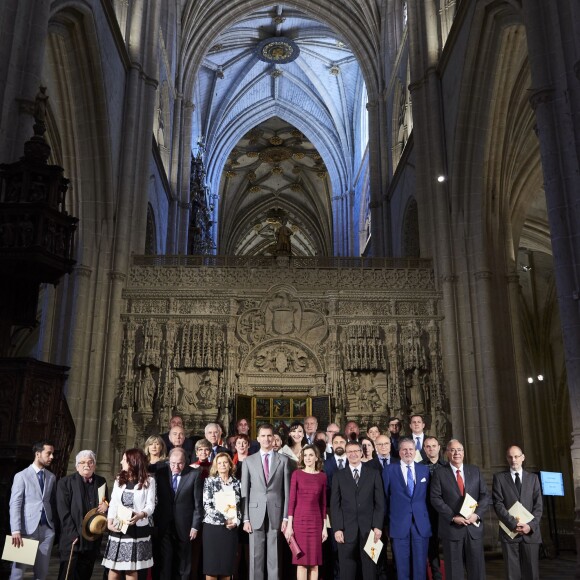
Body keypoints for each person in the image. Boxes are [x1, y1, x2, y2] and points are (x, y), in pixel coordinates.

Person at [430, 439, 490, 580]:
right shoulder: (439, 473)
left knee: (477, 569)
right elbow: (435, 498)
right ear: (447, 453)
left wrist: (477, 514)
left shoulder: (474, 471)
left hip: (473, 528)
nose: (456, 453)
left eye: (459, 450)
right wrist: (452, 516)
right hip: (451, 528)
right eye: (452, 450)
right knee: (454, 571)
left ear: (463, 452)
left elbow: (485, 496)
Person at [241, 423, 291, 580]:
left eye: (269, 435)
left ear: (274, 437)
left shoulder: (283, 460)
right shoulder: (249, 461)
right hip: (254, 513)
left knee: (274, 556)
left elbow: (287, 492)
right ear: (257, 438)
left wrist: (285, 518)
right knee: (255, 556)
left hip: (276, 512)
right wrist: (246, 518)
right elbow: (245, 492)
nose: (266, 439)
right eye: (263, 436)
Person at [330, 440, 384, 580]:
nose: (353, 454)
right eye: (350, 452)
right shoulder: (338, 476)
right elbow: (335, 505)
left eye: (356, 451)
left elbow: (380, 503)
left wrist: (377, 526)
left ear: (361, 453)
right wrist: (337, 528)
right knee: (347, 570)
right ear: (346, 454)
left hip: (370, 530)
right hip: (346, 530)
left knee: (370, 569)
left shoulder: (374, 473)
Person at [102, 448, 155, 579]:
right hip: (119, 527)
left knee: (131, 570)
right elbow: (113, 502)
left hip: (137, 530)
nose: (121, 462)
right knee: (113, 569)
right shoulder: (119, 479)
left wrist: (140, 515)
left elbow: (150, 506)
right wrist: (109, 522)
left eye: (124, 460)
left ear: (133, 462)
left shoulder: (149, 481)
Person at [56, 450, 108, 580]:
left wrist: (107, 506)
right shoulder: (65, 483)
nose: (87, 465)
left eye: (90, 462)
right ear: (77, 466)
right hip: (73, 539)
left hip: (92, 538)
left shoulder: (101, 481)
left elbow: (106, 502)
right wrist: (73, 534)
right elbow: (63, 512)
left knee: (85, 574)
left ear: (95, 465)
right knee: (67, 575)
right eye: (83, 462)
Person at [492, 445, 543, 580]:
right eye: (510, 457)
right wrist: (513, 523)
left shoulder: (533, 479)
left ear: (523, 457)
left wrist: (530, 525)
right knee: (512, 574)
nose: (513, 460)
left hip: (530, 533)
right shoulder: (499, 478)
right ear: (507, 458)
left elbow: (538, 506)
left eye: (516, 456)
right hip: (510, 533)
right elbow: (498, 504)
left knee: (532, 573)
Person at [384, 438, 432, 580]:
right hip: (398, 524)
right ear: (399, 452)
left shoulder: (424, 470)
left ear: (415, 451)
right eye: (404, 449)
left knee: (420, 567)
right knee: (401, 568)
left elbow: (429, 498)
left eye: (411, 449)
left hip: (420, 525)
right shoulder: (389, 470)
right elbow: (385, 498)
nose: (408, 452)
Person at [9, 440, 57, 580]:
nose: (52, 457)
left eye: (52, 454)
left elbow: (51, 502)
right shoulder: (21, 476)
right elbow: (15, 504)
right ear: (37, 454)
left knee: (42, 574)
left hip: (47, 531)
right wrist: (15, 530)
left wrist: (52, 527)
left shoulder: (51, 477)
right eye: (49, 453)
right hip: (25, 531)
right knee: (17, 574)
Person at [154, 447, 203, 579]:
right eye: (173, 463)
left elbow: (198, 503)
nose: (176, 466)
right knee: (165, 560)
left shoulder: (194, 474)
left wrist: (195, 526)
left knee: (183, 561)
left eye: (180, 463)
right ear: (168, 461)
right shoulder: (161, 473)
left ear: (185, 462)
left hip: (185, 525)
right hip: (165, 524)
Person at [285, 445, 328, 580]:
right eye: (305, 455)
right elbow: (291, 501)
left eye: (311, 455)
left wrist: (324, 527)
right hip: (299, 522)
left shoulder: (322, 476)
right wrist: (289, 526)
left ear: (316, 457)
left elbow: (323, 504)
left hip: (316, 523)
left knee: (314, 563)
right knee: (302, 563)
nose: (308, 458)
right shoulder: (297, 474)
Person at [203, 453, 242, 579]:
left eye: (225, 462)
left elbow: (240, 507)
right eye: (219, 463)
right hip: (213, 529)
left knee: (227, 568)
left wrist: (237, 521)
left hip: (230, 529)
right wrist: (224, 520)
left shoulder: (237, 483)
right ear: (215, 466)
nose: (222, 465)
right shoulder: (210, 482)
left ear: (230, 465)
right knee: (212, 568)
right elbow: (207, 505)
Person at [421, 436, 446, 580]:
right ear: (424, 449)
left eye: (433, 446)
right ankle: (436, 575)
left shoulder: (447, 467)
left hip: (445, 512)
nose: (431, 449)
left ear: (439, 447)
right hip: (427, 513)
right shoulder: (419, 467)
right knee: (432, 546)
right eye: (428, 446)